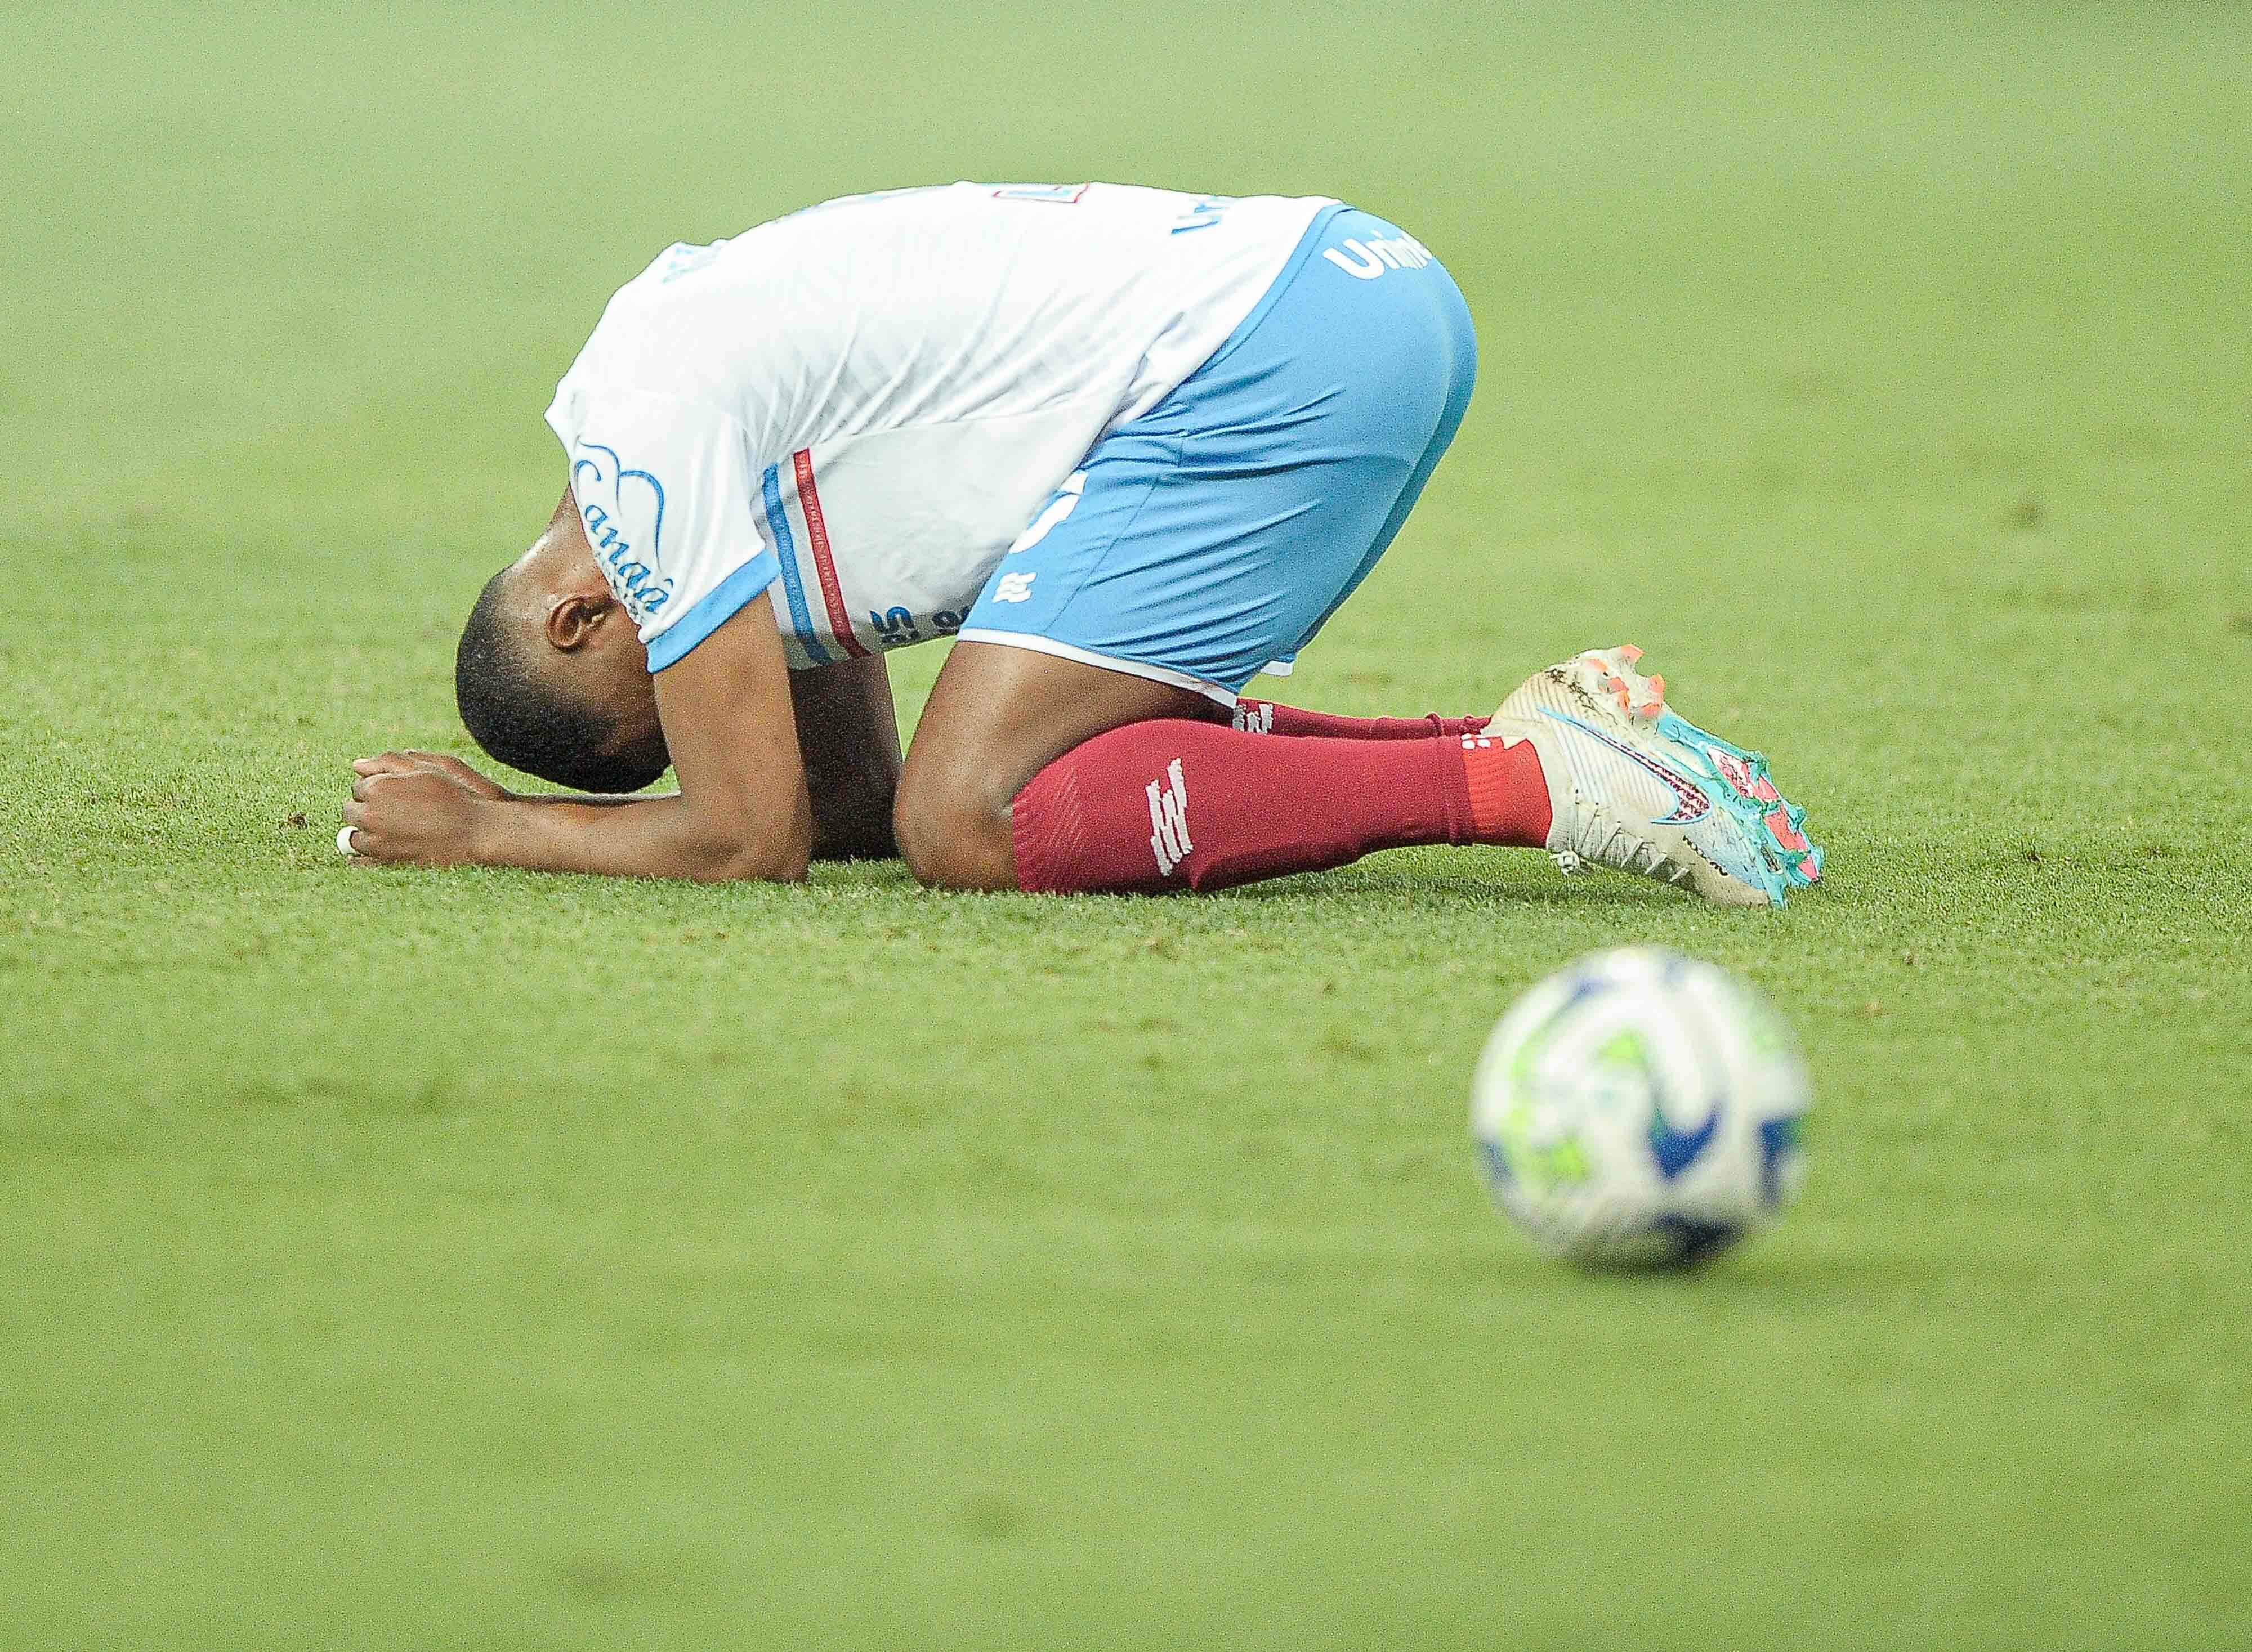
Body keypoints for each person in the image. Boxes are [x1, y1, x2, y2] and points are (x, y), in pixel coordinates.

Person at [341, 182, 1821, 904]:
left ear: (585, 620)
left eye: (680, 677)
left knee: (973, 821)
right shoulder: (671, 415)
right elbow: (837, 800)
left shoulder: (647, 453)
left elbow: (751, 837)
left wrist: (491, 829)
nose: (718, 686)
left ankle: (1529, 781)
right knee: (952, 799)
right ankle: (1537, 741)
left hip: (1277, 354)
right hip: (1329, 292)